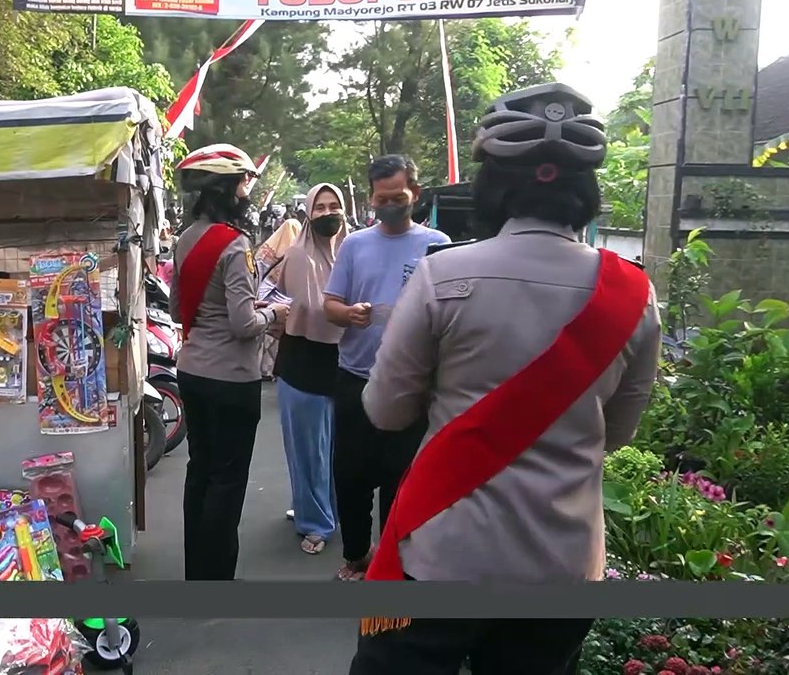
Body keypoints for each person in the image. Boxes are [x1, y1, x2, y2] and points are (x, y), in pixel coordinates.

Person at [349, 83, 661, 674]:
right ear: (585, 188)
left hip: (444, 553)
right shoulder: (633, 294)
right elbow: (617, 433)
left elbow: (386, 411)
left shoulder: (444, 275)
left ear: (491, 183)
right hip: (563, 564)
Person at [322, 154, 450, 581]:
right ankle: (357, 554)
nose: (391, 204)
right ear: (371, 199)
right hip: (356, 377)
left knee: (402, 478)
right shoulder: (355, 244)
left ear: (415, 192)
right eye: (382, 199)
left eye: (399, 197)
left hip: (414, 384)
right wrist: (349, 313)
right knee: (352, 474)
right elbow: (330, 304)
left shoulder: (437, 244)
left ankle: (393, 561)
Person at [169, 144, 289, 581]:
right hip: (231, 379)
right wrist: (274, 313)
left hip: (192, 370)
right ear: (226, 189)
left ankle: (196, 571)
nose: (247, 192)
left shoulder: (185, 238)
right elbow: (243, 324)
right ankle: (218, 577)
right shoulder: (236, 245)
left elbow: (178, 306)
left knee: (199, 469)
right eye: (242, 183)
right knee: (228, 478)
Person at [259, 183, 348, 555]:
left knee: (336, 451)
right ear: (308, 214)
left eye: (334, 206)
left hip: (346, 367)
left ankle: (329, 512)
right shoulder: (296, 257)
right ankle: (314, 522)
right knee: (307, 450)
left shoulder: (355, 253)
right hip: (302, 363)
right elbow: (273, 301)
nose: (327, 214)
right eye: (320, 207)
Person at [256, 216, 303, 381]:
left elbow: (258, 270)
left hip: (266, 296)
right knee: (276, 335)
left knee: (267, 332)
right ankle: (270, 370)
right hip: (284, 298)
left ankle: (262, 369)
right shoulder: (299, 253)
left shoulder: (268, 249)